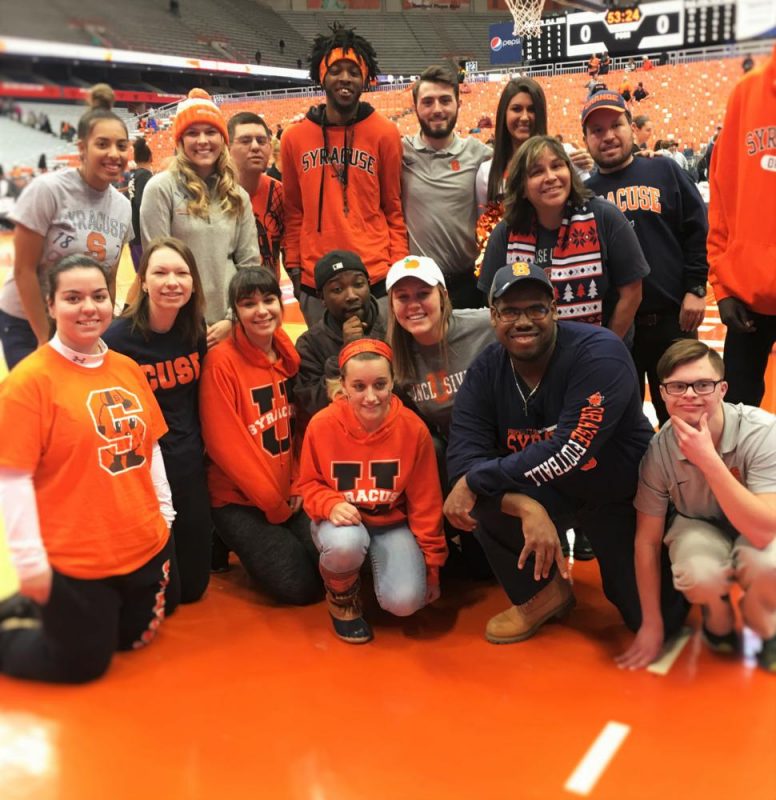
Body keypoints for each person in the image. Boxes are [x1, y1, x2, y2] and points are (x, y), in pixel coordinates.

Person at [444, 262, 689, 645]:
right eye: (510, 311)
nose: (523, 321)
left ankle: (686, 542)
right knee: (477, 498)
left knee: (656, 620)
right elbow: (464, 458)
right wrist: (523, 506)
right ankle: (541, 596)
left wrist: (479, 479)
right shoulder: (485, 371)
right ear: (493, 317)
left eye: (535, 309)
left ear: (555, 310)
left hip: (617, 493)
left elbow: (569, 450)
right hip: (547, 492)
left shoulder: (600, 354)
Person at [0, 255, 176, 683]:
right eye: (73, 298)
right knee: (83, 664)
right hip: (77, 558)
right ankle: (28, 609)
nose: (88, 308)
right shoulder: (30, 382)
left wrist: (166, 517)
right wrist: (30, 563)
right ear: (50, 304)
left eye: (98, 296)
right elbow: (13, 477)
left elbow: (150, 447)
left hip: (143, 544)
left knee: (134, 639)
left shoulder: (127, 368)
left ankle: (40, 607)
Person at [619, 340, 776, 674]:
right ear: (661, 394)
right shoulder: (658, 454)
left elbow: (765, 530)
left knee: (770, 564)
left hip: (756, 525)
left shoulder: (762, 432)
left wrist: (708, 461)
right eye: (677, 386)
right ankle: (716, 614)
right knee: (696, 573)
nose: (689, 394)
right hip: (699, 523)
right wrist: (651, 623)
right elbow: (647, 542)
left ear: (722, 389)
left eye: (702, 384)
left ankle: (761, 617)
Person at [298, 338, 448, 643]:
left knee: (406, 603)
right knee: (345, 544)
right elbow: (309, 484)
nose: (371, 397)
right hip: (344, 524)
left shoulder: (413, 430)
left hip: (391, 524)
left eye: (380, 384)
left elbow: (426, 504)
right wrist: (329, 504)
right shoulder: (321, 425)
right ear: (342, 385)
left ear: (393, 381)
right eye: (359, 386)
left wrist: (432, 567)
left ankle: (369, 569)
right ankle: (342, 597)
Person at [583, 91, 709, 426]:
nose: (608, 136)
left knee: (685, 418)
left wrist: (696, 288)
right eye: (596, 130)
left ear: (630, 128)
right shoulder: (583, 194)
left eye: (616, 125)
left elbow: (696, 229)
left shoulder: (664, 170)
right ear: (586, 139)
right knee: (621, 422)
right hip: (617, 327)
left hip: (672, 320)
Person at [199, 268, 321, 606]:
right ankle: (223, 534)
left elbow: (295, 431)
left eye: (269, 300)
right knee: (300, 587)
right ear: (235, 312)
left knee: (332, 567)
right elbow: (227, 448)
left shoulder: (285, 358)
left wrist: (297, 483)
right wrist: (274, 506)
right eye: (249, 304)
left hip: (285, 491)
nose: (262, 310)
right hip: (239, 499)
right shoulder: (220, 364)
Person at [103, 237, 211, 604]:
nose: (171, 281)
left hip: (189, 463)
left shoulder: (195, 330)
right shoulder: (116, 339)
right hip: (144, 474)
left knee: (194, 589)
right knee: (170, 598)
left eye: (181, 273)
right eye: (160, 272)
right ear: (144, 282)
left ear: (193, 282)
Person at [281, 23, 408, 326]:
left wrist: (399, 266)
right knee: (328, 370)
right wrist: (295, 266)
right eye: (336, 69)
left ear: (365, 77)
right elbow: (294, 211)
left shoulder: (385, 133)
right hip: (317, 281)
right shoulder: (293, 138)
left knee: (381, 368)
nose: (345, 78)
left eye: (354, 71)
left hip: (375, 275)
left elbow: (393, 206)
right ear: (321, 75)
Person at [0, 84, 132, 369]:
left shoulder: (123, 207)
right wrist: (44, 338)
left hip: (81, 322)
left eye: (121, 145)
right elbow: (23, 270)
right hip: (27, 321)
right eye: (102, 144)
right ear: (82, 148)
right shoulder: (47, 190)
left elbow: (107, 276)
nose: (114, 153)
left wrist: (101, 327)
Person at [478, 135, 648, 345]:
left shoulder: (605, 216)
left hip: (599, 354)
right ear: (521, 186)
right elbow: (492, 302)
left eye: (557, 166)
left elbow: (632, 293)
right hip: (530, 360)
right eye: (537, 172)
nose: (550, 177)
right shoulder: (505, 233)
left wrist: (606, 347)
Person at [386, 254, 495, 575]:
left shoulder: (484, 325)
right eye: (402, 297)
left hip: (497, 447)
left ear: (444, 296)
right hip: (451, 458)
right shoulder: (395, 357)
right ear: (391, 305)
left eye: (423, 294)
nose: (413, 305)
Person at [140, 88, 260, 350]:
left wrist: (233, 319)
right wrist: (184, 321)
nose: (202, 140)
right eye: (192, 133)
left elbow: (249, 265)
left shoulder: (237, 195)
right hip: (179, 326)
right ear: (180, 141)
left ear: (222, 138)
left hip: (228, 326)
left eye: (211, 132)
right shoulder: (160, 188)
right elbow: (156, 265)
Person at [707, 45, 776, 407]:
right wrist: (722, 288)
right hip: (747, 301)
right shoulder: (746, 94)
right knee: (736, 416)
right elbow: (721, 196)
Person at [401, 64, 492, 309]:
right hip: (417, 286)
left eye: (445, 100)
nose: (437, 109)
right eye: (428, 102)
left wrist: (574, 160)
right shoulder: (399, 152)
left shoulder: (479, 154)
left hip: (466, 284)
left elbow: (526, 165)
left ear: (458, 104)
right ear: (415, 107)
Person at [475, 78, 592, 251]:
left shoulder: (567, 156)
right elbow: (484, 229)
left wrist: (591, 165)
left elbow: (589, 207)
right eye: (516, 109)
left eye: (532, 109)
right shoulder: (487, 172)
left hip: (567, 257)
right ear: (504, 114)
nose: (524, 117)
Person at [295, 249, 387, 418]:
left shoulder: (394, 321)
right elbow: (313, 405)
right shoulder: (309, 344)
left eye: (358, 284)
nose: (351, 296)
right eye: (338, 290)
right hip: (342, 431)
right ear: (321, 297)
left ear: (369, 284)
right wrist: (344, 354)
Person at [228, 111, 284, 279]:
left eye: (261, 141)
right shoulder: (212, 194)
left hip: (267, 295)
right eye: (245, 141)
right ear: (227, 147)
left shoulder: (279, 193)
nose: (255, 147)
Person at [127, 136, 154, 269]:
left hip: (135, 232)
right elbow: (141, 204)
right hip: (142, 235)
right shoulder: (144, 176)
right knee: (145, 274)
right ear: (150, 157)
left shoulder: (134, 175)